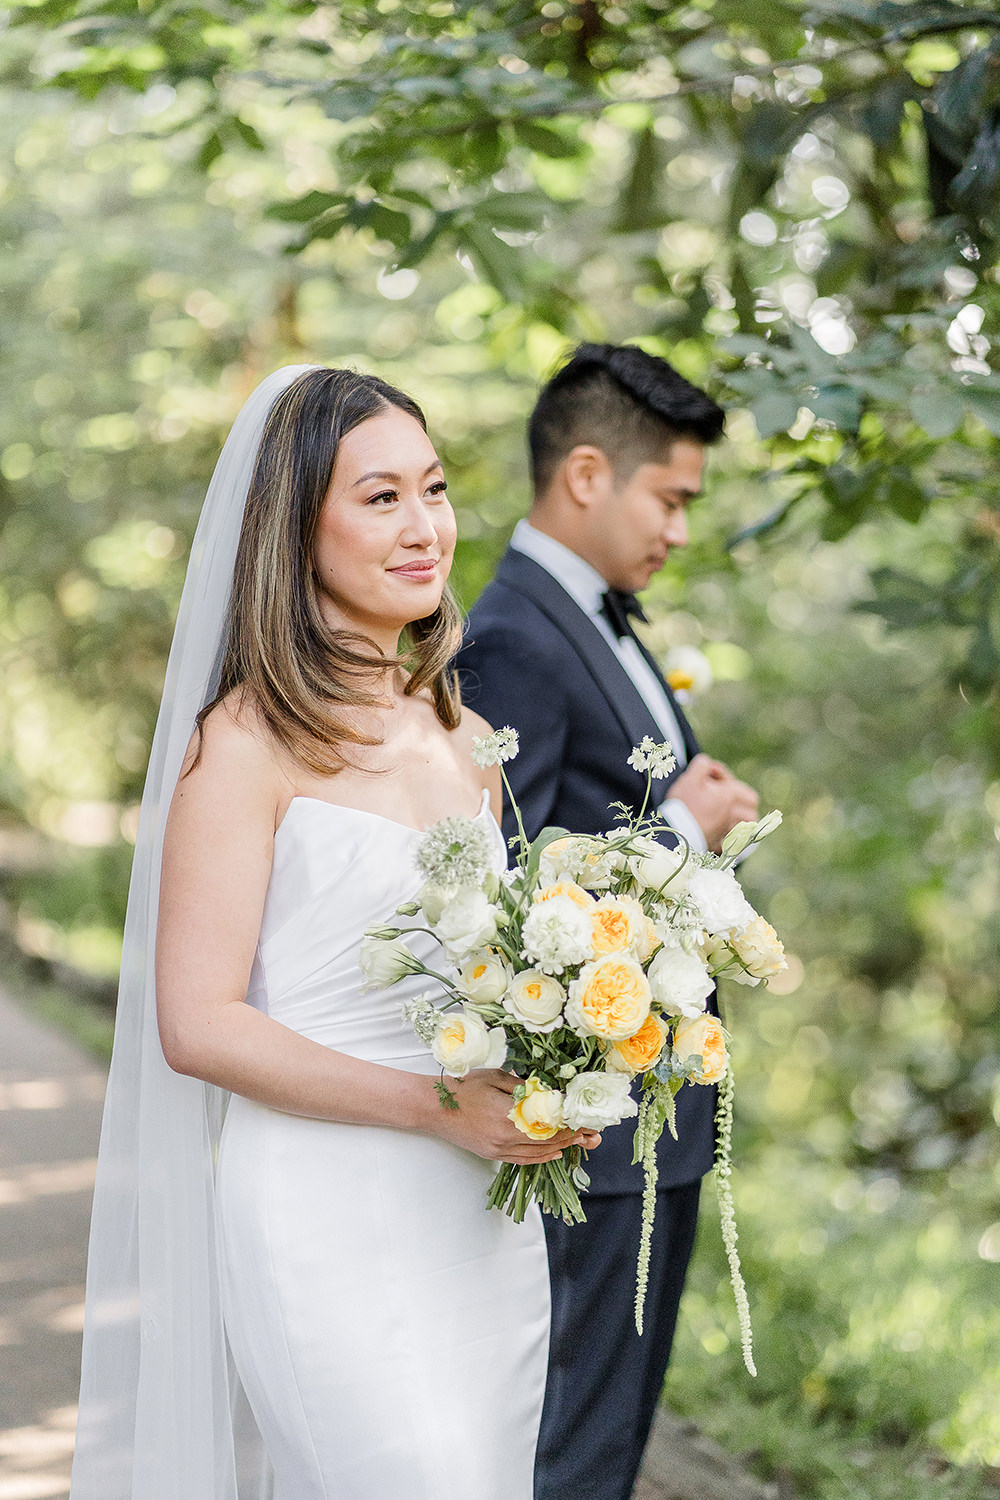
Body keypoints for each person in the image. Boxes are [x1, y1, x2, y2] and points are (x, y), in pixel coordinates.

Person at [69, 365, 600, 1500]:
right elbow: (198, 1024)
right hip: (324, 1204)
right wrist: (432, 1106)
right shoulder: (244, 742)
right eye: (381, 498)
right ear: (294, 527)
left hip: (477, 1216)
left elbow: (485, 978)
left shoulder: (461, 731)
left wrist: (559, 1073)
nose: (427, 528)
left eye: (436, 489)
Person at [457, 342, 760, 1500]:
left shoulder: (593, 616)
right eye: (670, 497)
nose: (679, 529)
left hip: (654, 1113)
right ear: (588, 474)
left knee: (611, 1436)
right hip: (594, 1128)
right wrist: (681, 829)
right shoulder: (517, 638)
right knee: (572, 1444)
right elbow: (507, 900)